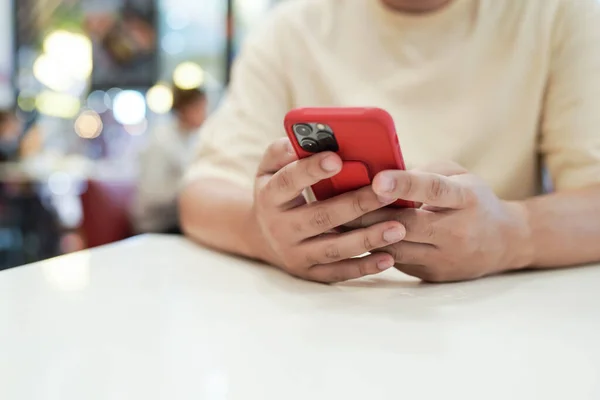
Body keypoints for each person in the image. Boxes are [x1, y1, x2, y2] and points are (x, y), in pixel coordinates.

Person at [179, 0, 600, 284]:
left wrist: (512, 234)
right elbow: (202, 192)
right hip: (324, 323)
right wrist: (259, 233)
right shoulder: (289, 28)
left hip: (500, 317)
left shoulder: (558, 12)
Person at [133, 86, 207, 234]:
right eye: (200, 108)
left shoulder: (192, 140)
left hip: (176, 219)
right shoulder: (161, 140)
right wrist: (192, 188)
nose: (205, 114)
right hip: (156, 224)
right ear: (185, 109)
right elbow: (152, 193)